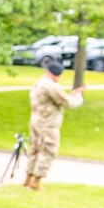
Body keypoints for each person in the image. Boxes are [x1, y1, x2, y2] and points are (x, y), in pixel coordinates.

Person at [25, 57, 84, 190]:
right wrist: (78, 96)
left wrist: (70, 95)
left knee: (34, 149)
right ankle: (36, 181)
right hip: (48, 124)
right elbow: (67, 102)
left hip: (36, 119)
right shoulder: (52, 86)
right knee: (48, 150)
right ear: (59, 74)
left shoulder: (39, 82)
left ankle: (28, 178)